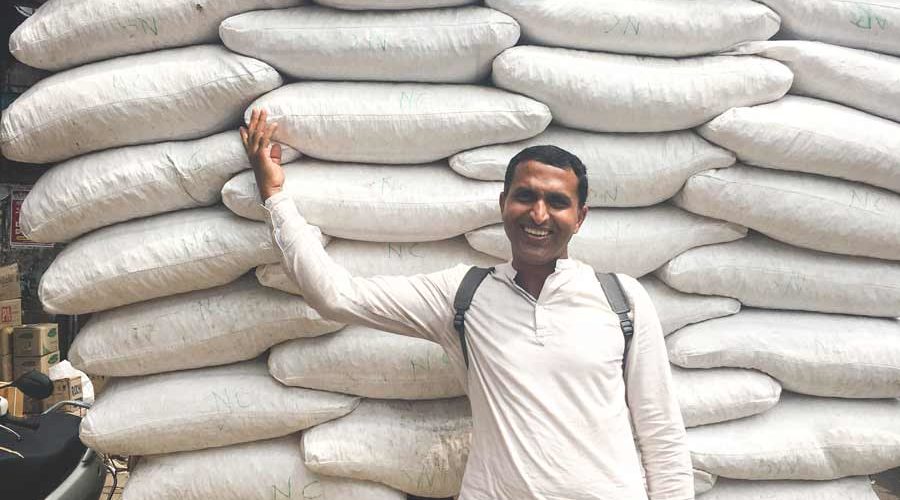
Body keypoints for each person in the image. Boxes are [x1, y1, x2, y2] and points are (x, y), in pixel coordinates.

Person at [241, 109, 694, 500]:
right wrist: (275, 197)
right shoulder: (465, 295)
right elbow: (336, 295)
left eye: (557, 202)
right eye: (525, 196)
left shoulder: (622, 300)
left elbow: (662, 436)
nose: (539, 214)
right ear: (503, 204)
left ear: (580, 217)